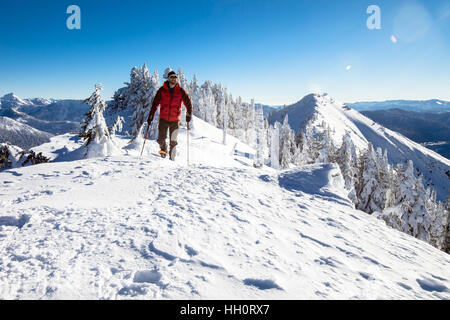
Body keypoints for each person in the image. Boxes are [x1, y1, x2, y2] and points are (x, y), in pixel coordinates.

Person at [147, 71, 193, 161]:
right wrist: (151, 115)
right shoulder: (162, 90)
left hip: (175, 121)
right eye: (171, 77)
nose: (173, 79)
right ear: (168, 78)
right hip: (163, 120)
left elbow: (188, 103)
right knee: (160, 139)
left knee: (173, 142)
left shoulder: (180, 91)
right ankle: (163, 151)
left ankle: (172, 160)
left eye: (175, 77)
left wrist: (189, 113)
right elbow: (155, 103)